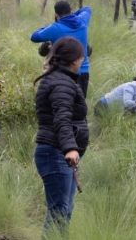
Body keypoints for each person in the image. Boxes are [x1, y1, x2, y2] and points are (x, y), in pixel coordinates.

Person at [33, 37, 89, 236]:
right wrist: (70, 148)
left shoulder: (61, 79)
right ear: (74, 59)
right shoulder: (61, 83)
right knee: (58, 212)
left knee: (64, 211)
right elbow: (61, 118)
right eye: (82, 56)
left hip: (59, 153)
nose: (83, 59)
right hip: (56, 153)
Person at [31, 0, 92, 98]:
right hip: (83, 72)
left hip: (64, 74)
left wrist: (48, 26)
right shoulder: (82, 20)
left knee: (62, 104)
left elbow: (34, 37)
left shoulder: (54, 28)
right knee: (79, 106)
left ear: (56, 14)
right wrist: (74, 16)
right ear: (70, 10)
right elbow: (87, 9)